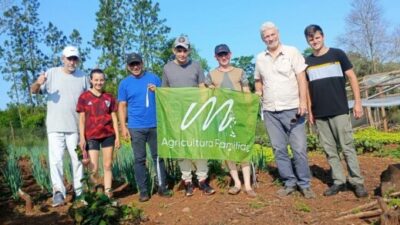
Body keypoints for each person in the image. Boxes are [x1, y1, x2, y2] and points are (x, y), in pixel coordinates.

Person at [303, 24, 368, 198]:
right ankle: (339, 181)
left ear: (322, 37)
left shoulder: (337, 54)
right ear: (307, 41)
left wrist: (358, 103)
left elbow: (352, 78)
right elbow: (307, 88)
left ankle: (357, 181)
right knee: (330, 150)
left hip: (339, 109)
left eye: (317, 37)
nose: (314, 41)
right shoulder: (307, 62)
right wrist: (310, 110)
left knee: (347, 147)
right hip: (320, 113)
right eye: (311, 38)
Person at [254, 22, 315, 199]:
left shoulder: (292, 52)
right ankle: (289, 182)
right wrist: (258, 91)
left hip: (292, 108)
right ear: (263, 39)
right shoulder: (260, 58)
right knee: (279, 148)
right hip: (270, 110)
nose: (270, 38)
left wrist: (303, 101)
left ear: (278, 34)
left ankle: (304, 183)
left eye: (272, 35)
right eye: (266, 36)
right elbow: (258, 80)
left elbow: (301, 78)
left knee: (299, 148)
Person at [30, 46, 89, 206]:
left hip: (76, 128)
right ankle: (58, 192)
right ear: (63, 58)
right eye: (69, 58)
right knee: (56, 160)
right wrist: (38, 82)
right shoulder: (51, 73)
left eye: (74, 59)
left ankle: (79, 193)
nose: (72, 62)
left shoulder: (83, 77)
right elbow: (33, 91)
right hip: (55, 127)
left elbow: (90, 99)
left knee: (77, 160)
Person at [162, 35, 215, 196]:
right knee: (181, 149)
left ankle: (202, 180)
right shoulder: (167, 68)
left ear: (189, 51)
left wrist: (208, 95)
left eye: (185, 50)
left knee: (199, 146)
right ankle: (187, 181)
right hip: (177, 116)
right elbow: (164, 91)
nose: (182, 54)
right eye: (179, 50)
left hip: (195, 114)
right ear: (174, 51)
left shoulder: (197, 66)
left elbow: (201, 87)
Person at [118, 53, 172, 202]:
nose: (135, 67)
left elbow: (164, 99)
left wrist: (158, 91)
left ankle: (162, 187)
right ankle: (143, 191)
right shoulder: (124, 84)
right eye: (132, 65)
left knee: (158, 157)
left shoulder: (154, 78)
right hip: (136, 127)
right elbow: (122, 106)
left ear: (142, 63)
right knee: (139, 159)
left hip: (155, 125)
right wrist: (123, 127)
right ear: (128, 67)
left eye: (137, 64)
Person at [206, 44, 256, 197]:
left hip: (239, 115)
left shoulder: (240, 72)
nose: (223, 57)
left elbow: (246, 91)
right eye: (220, 55)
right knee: (229, 151)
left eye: (225, 54)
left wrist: (249, 110)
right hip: (222, 118)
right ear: (216, 57)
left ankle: (248, 185)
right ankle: (237, 183)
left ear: (230, 54)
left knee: (243, 148)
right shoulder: (211, 74)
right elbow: (206, 92)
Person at [76, 69, 120, 198]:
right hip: (91, 136)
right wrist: (82, 138)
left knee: (107, 165)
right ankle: (94, 193)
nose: (99, 82)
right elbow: (82, 119)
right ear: (91, 80)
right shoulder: (84, 97)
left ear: (104, 81)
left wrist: (117, 136)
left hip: (108, 135)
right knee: (93, 168)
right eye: (96, 80)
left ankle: (108, 192)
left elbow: (114, 116)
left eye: (101, 80)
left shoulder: (109, 97)